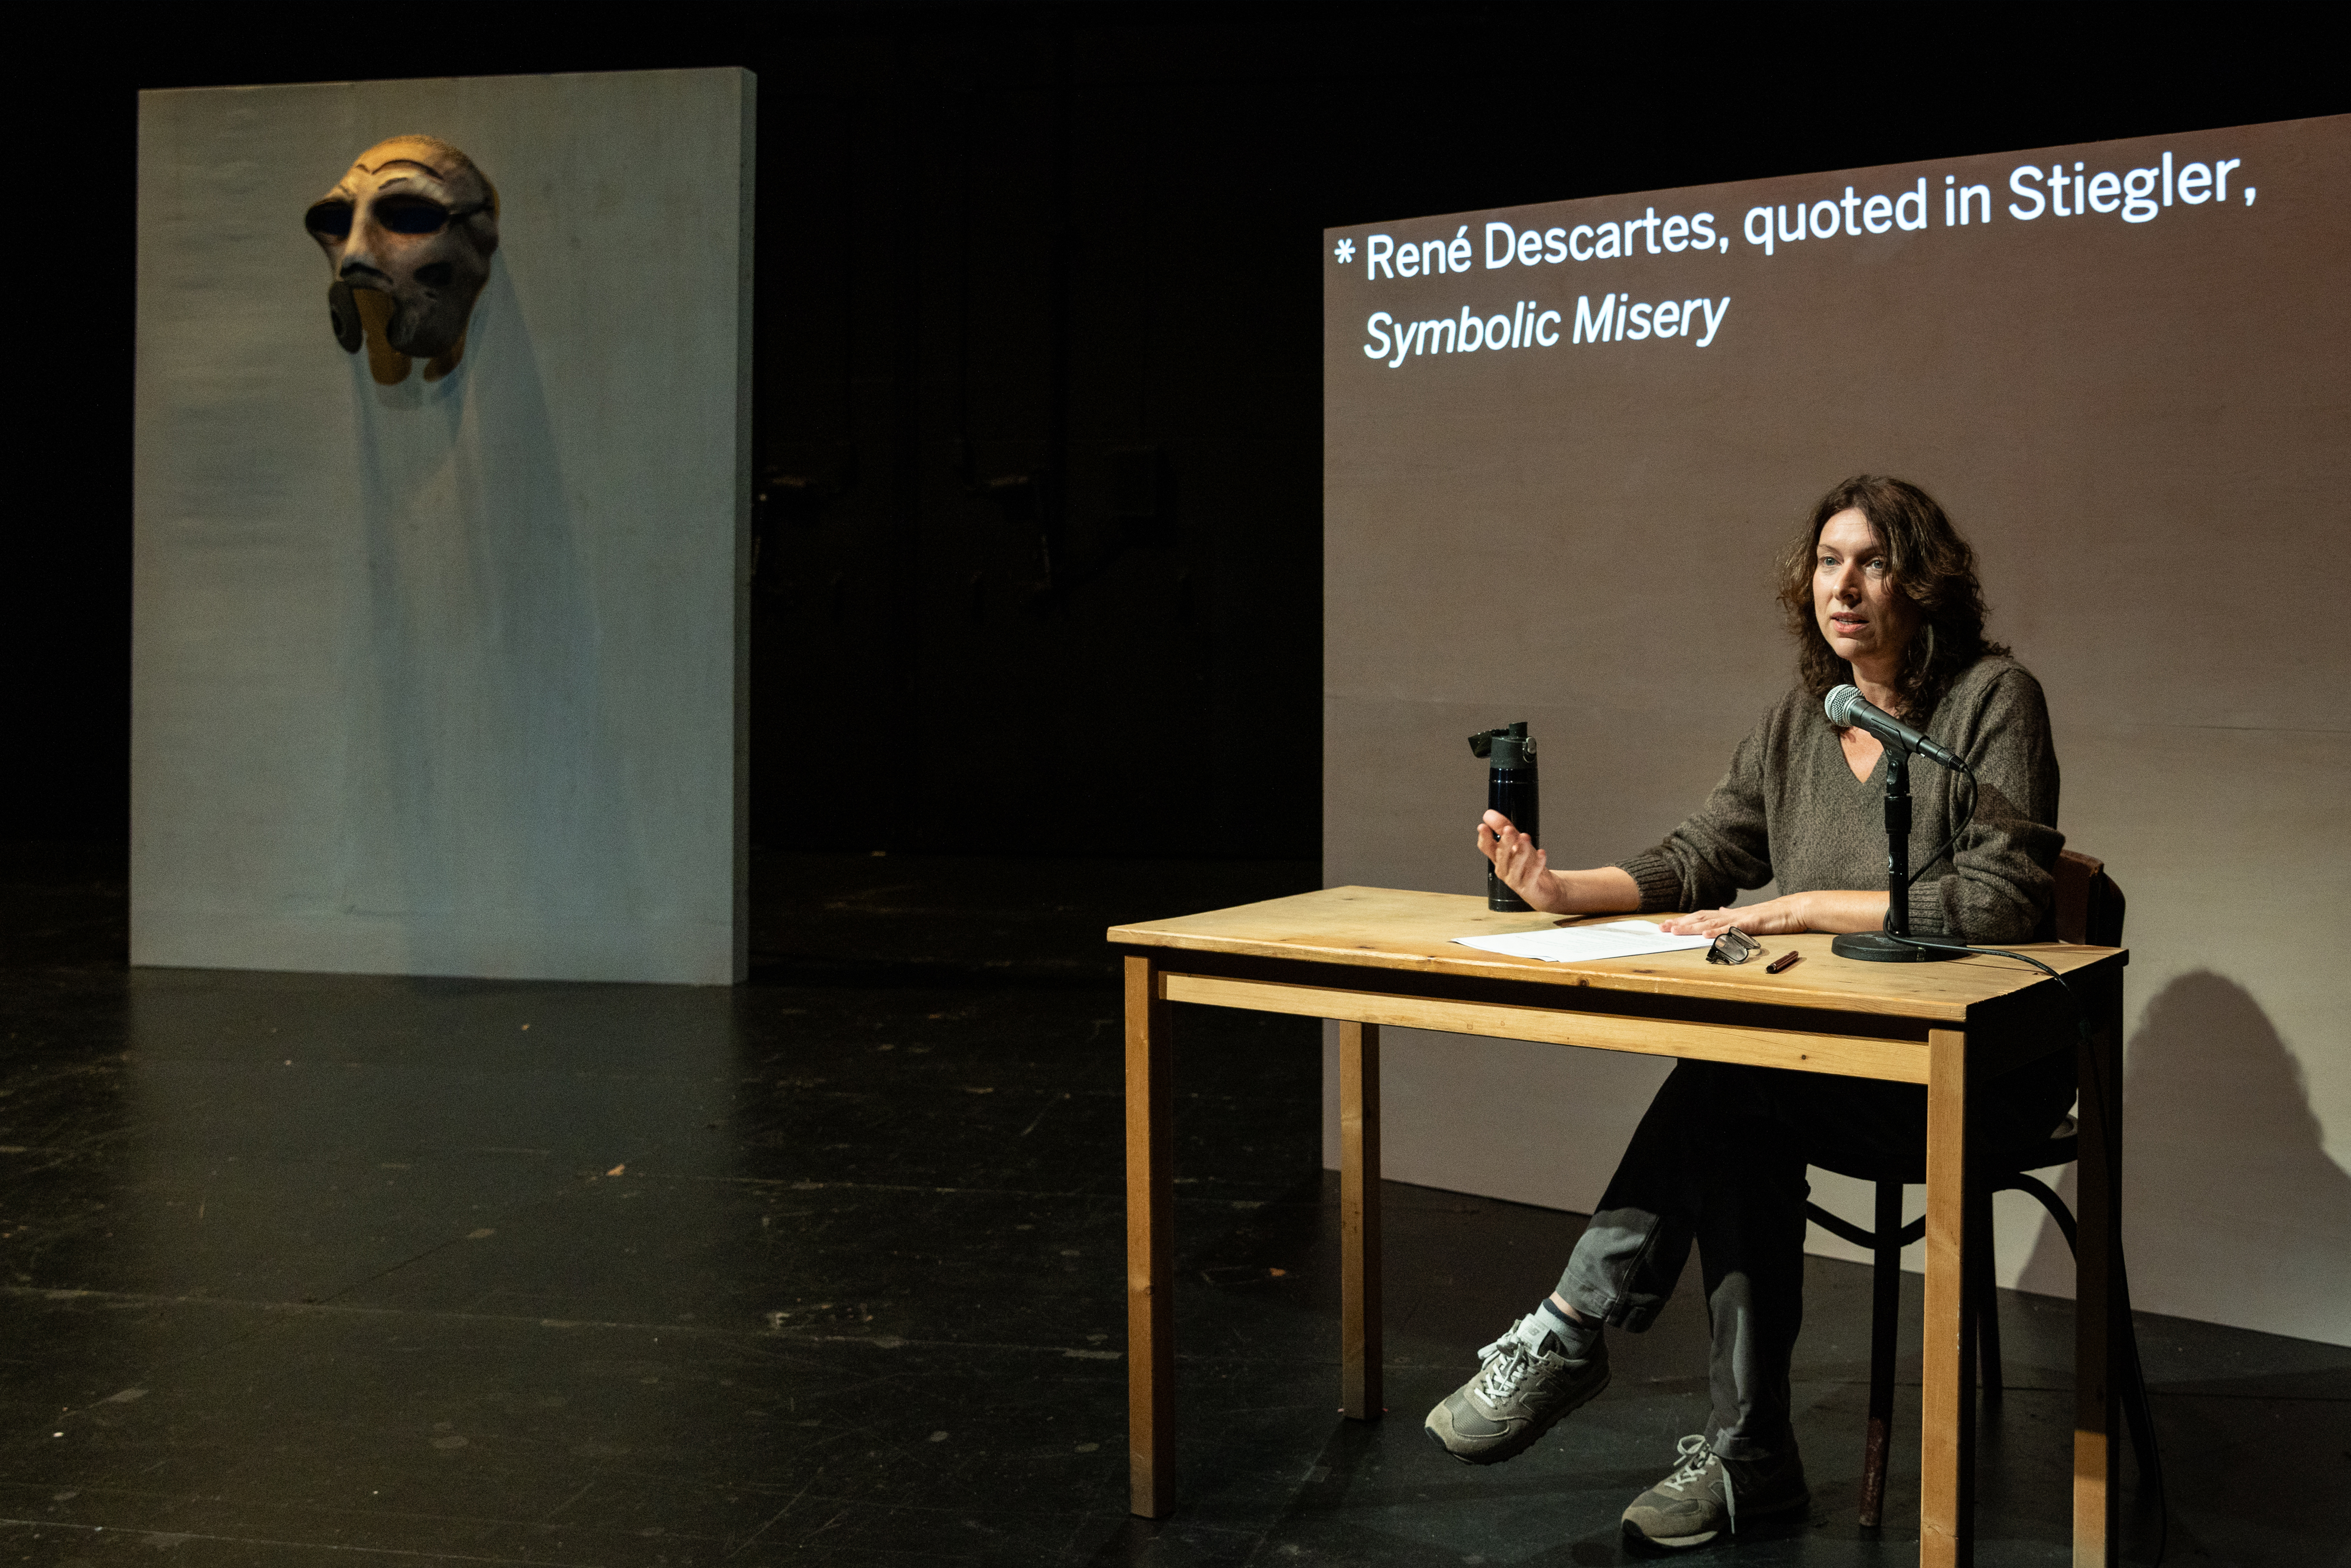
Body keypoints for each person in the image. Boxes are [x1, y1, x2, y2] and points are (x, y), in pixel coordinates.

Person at [1423, 475, 2072, 1550]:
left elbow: (2003, 894)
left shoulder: (1992, 701)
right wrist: (1559, 888)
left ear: (1923, 581)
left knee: (1732, 1088)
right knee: (1732, 1095)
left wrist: (1802, 905)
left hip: (1976, 1074)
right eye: (1826, 561)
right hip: (1834, 1068)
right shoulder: (1799, 722)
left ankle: (1584, 1334)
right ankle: (1741, 1457)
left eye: (1870, 562)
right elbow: (1704, 853)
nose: (1844, 586)